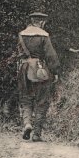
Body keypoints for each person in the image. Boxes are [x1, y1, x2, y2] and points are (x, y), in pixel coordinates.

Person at [17, 12, 60, 142]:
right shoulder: (44, 36)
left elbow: (19, 53)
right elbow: (51, 55)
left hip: (24, 69)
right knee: (42, 101)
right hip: (40, 70)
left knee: (25, 99)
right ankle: (37, 134)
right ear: (41, 22)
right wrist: (55, 71)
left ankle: (27, 123)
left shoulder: (21, 34)